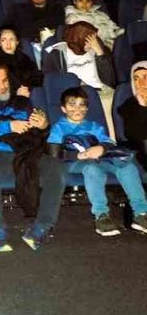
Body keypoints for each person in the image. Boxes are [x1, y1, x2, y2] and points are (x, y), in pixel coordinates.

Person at [0, 62, 66, 252]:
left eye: (5, 81)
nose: (2, 86)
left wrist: (43, 126)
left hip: (22, 154)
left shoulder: (22, 103)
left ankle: (42, 227)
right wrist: (8, 126)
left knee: (56, 167)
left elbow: (39, 136)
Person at [48, 87, 147, 236]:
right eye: (72, 105)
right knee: (93, 169)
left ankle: (141, 213)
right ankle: (101, 215)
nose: (77, 109)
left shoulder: (94, 126)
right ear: (63, 108)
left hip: (99, 158)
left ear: (87, 108)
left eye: (82, 105)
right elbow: (54, 154)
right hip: (73, 162)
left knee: (128, 167)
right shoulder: (59, 128)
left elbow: (108, 143)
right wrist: (77, 156)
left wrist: (101, 148)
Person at [41, 21, 117, 128]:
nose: (92, 43)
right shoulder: (57, 53)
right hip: (78, 97)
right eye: (88, 40)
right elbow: (51, 82)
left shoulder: (97, 48)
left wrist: (100, 54)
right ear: (77, 39)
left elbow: (110, 80)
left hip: (103, 92)